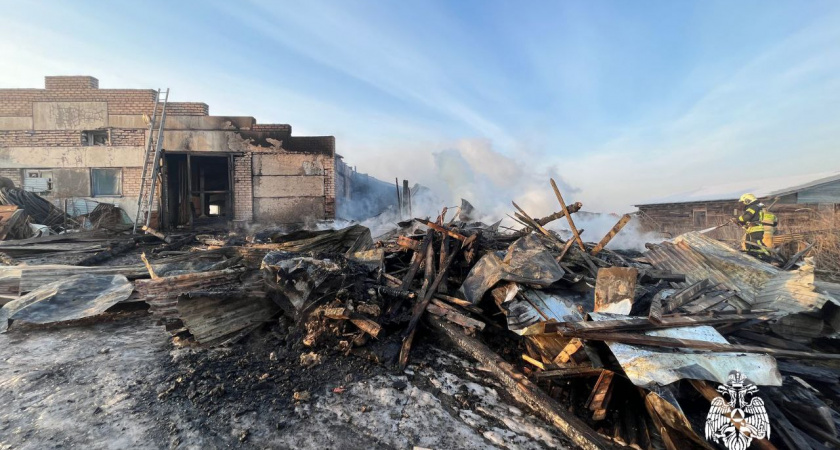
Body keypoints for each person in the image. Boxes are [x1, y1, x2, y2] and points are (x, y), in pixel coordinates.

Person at [735, 193, 777, 258]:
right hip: (751, 229)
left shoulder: (753, 207)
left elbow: (746, 217)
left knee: (757, 243)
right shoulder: (759, 207)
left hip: (756, 228)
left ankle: (767, 255)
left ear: (747, 200)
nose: (743, 204)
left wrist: (738, 219)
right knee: (748, 243)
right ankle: (752, 256)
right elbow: (775, 222)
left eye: (743, 202)